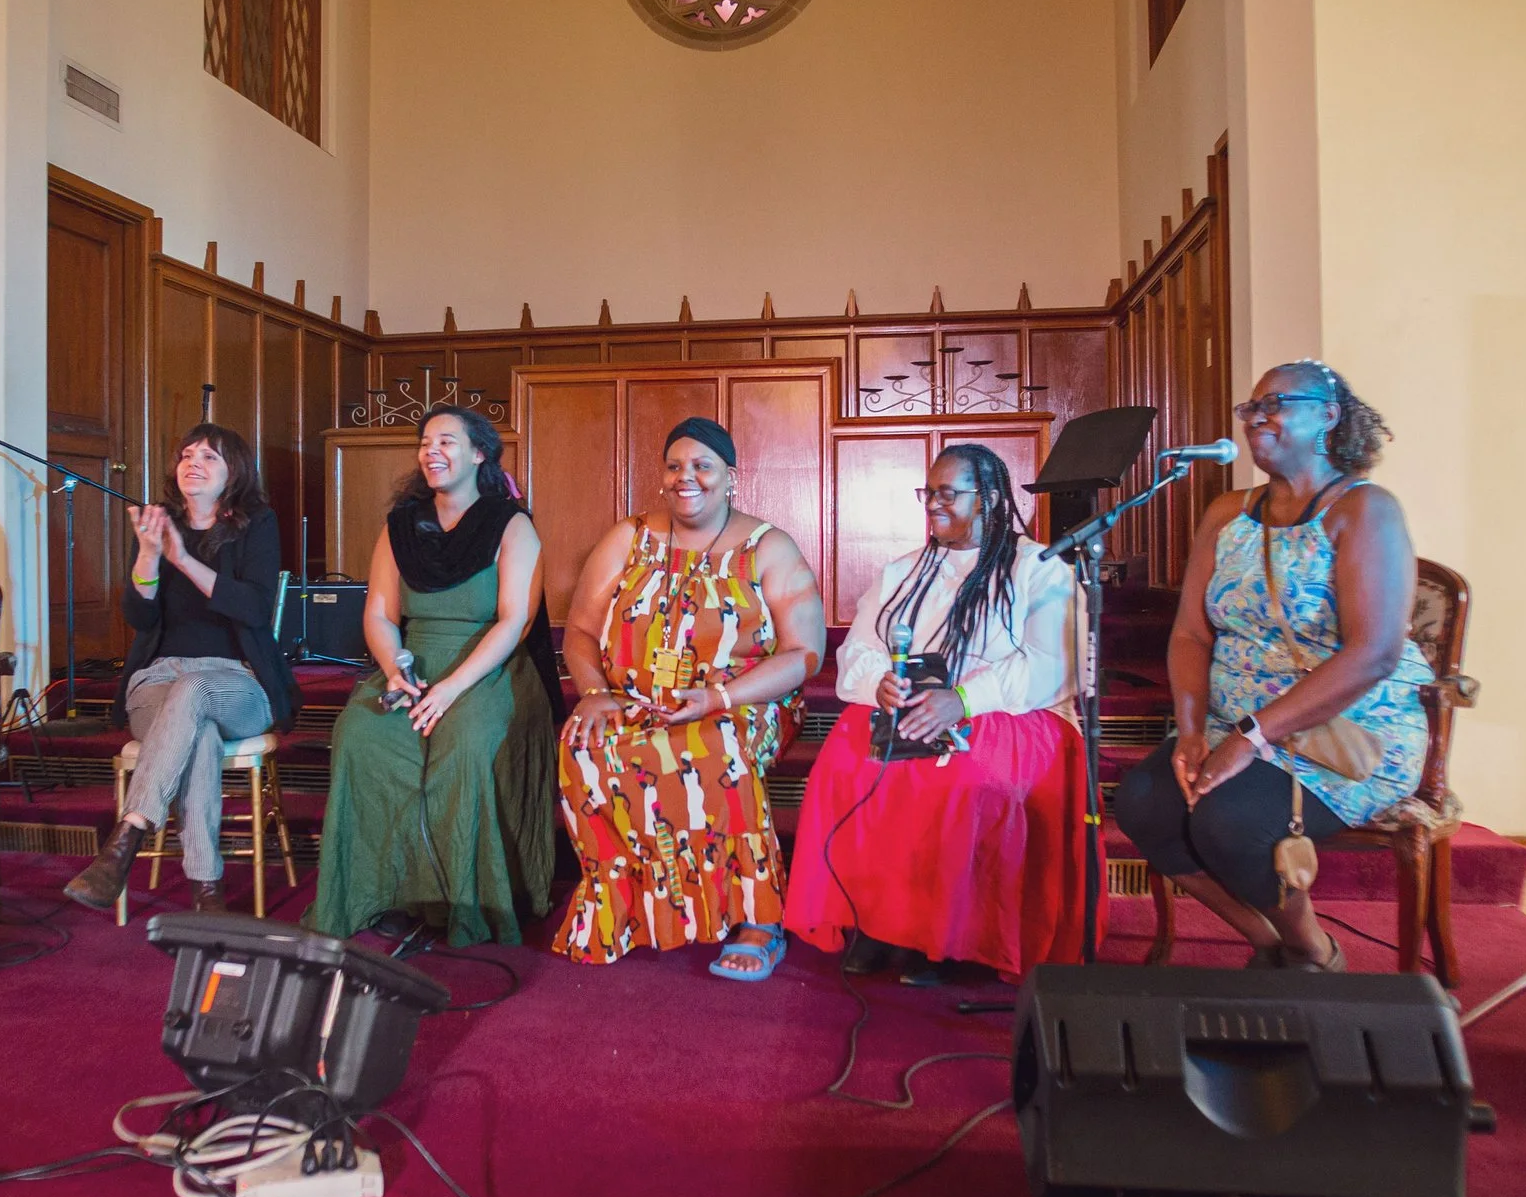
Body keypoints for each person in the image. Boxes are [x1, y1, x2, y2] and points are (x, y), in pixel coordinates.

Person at [1112, 361, 1432, 971]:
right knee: (1144, 803)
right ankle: (1266, 940)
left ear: (1330, 415)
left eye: (1278, 403)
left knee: (1228, 822)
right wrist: (1191, 730)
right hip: (1235, 725)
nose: (1259, 415)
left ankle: (1314, 950)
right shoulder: (1227, 514)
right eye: (1251, 406)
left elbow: (1375, 653)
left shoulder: (1366, 510)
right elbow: (1189, 632)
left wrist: (1252, 738)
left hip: (1344, 733)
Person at [784, 446, 1090, 984]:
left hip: (1008, 712)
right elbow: (857, 648)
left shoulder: (1040, 568)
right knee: (845, 764)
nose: (934, 505)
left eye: (949, 494)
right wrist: (880, 682)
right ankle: (877, 923)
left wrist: (965, 701)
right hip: (914, 703)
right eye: (930, 493)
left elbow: (1050, 666)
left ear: (991, 499)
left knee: (962, 780)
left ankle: (959, 942)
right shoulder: (905, 570)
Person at [552, 417, 826, 979]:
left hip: (745, 704)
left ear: (730, 476)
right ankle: (624, 912)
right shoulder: (628, 537)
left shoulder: (767, 545)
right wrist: (595, 694)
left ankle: (758, 919)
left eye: (703, 466)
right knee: (587, 746)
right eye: (675, 466)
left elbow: (804, 654)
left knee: (710, 746)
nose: (687, 478)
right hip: (633, 698)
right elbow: (579, 630)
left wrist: (717, 697)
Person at [306, 406, 560, 946]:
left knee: (465, 746)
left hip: (490, 667)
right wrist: (394, 665)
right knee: (363, 735)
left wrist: (449, 689)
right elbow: (378, 613)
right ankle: (392, 893)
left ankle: (468, 904)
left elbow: (516, 621)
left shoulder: (512, 524)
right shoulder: (402, 524)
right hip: (413, 661)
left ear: (479, 454)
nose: (431, 450)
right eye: (425, 442)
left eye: (446, 441)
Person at [65, 424, 299, 915]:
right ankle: (206, 891)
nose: (194, 462)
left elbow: (255, 608)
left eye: (210, 456)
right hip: (158, 680)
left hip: (238, 680)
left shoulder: (257, 524)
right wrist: (150, 555)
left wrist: (183, 560)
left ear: (233, 471)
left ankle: (127, 835)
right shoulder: (158, 524)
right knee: (200, 733)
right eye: (187, 453)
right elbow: (140, 617)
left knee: (195, 692)